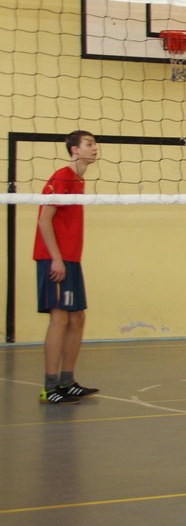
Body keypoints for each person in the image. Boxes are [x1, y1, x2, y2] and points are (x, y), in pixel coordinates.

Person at [34, 130, 101, 405]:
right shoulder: (62, 176)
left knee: (77, 318)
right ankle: (50, 387)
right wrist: (56, 258)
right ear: (75, 149)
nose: (95, 148)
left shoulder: (78, 180)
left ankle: (67, 382)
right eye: (89, 143)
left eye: (95, 143)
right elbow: (44, 220)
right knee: (60, 318)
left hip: (71, 258)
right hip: (55, 258)